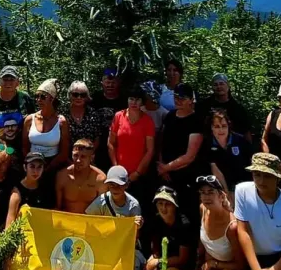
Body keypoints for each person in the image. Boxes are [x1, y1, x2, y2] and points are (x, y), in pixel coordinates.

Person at [184, 176, 245, 270]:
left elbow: (241, 265)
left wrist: (215, 264)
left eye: (211, 192)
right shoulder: (203, 209)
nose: (206, 197)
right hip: (208, 264)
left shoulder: (232, 226)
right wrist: (196, 269)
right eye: (203, 193)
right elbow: (202, 241)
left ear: (221, 196)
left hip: (230, 268)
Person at [85, 166, 145, 270]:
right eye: (111, 185)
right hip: (105, 247)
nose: (115, 189)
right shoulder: (101, 201)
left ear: (126, 185)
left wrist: (137, 226)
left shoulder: (133, 205)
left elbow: (136, 236)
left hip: (127, 249)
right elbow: (88, 221)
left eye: (119, 185)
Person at [156, 83, 205, 211]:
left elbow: (190, 156)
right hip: (165, 175)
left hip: (186, 176)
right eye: (176, 97)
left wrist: (166, 168)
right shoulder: (169, 116)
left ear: (191, 100)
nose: (178, 100)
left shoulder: (197, 121)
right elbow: (161, 142)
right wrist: (162, 164)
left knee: (187, 213)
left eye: (182, 98)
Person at [142, 186, 195, 270]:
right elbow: (155, 247)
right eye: (160, 204)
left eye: (168, 204)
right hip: (163, 260)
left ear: (175, 206)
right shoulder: (156, 220)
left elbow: (182, 259)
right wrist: (153, 258)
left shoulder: (184, 225)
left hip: (179, 265)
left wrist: (158, 263)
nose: (163, 208)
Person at [107, 84, 156, 199]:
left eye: (137, 99)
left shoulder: (148, 121)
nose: (134, 102)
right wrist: (116, 168)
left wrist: (137, 173)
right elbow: (110, 143)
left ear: (142, 102)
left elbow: (150, 150)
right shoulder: (119, 116)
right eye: (131, 99)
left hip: (139, 175)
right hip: (118, 174)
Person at [202, 108, 252, 204]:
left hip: (244, 185)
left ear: (229, 126)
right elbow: (216, 170)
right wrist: (226, 193)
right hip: (222, 187)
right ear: (211, 127)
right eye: (217, 126)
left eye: (224, 126)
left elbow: (250, 163)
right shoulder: (207, 144)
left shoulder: (240, 141)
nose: (221, 130)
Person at [23, 79, 70, 172]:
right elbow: (24, 147)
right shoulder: (29, 119)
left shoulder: (61, 121)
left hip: (53, 164)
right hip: (32, 163)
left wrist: (48, 168)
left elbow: (64, 152)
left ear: (52, 99)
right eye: (36, 96)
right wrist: (31, 164)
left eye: (43, 97)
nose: (38, 100)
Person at [56, 139, 106, 213]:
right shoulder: (62, 176)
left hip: (90, 222)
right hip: (67, 220)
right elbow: (58, 208)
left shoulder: (100, 179)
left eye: (83, 156)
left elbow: (102, 210)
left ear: (91, 158)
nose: (78, 160)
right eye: (76, 155)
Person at [197, 73, 252, 140]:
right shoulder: (203, 106)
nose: (219, 87)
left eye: (221, 84)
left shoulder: (238, 108)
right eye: (215, 85)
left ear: (228, 86)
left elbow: (246, 132)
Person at [91, 67, 126, 171]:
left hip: (119, 146)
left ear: (119, 82)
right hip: (98, 146)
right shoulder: (95, 99)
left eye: (113, 82)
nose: (110, 85)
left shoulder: (125, 100)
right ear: (102, 82)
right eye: (107, 82)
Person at [5, 151, 51, 228]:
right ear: (25, 167)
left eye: (39, 167)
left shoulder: (46, 188)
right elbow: (9, 223)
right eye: (32, 166)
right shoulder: (17, 192)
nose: (36, 171)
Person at [62, 81, 104, 152]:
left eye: (83, 95)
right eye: (75, 94)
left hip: (89, 157)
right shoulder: (63, 113)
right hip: (66, 157)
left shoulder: (93, 113)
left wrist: (88, 157)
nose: (79, 97)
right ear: (70, 95)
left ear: (87, 97)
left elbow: (97, 138)